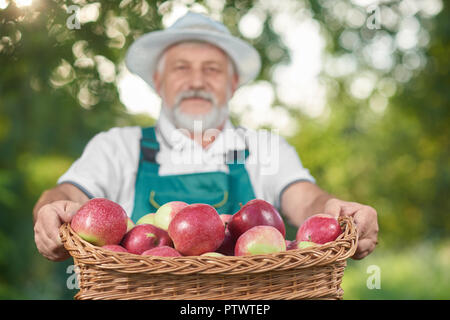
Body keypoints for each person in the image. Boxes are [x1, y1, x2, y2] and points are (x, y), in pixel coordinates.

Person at [33, 12, 378, 262]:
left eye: (212, 69)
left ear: (232, 84)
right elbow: (67, 194)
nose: (196, 81)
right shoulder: (118, 147)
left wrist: (333, 212)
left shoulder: (264, 148)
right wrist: (54, 209)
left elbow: (306, 200)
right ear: (158, 81)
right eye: (181, 67)